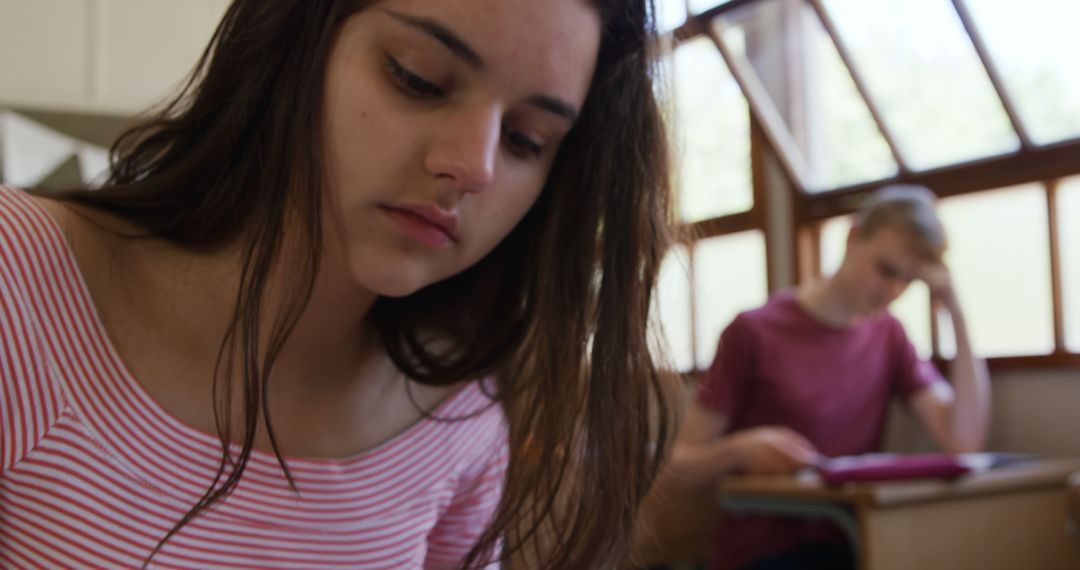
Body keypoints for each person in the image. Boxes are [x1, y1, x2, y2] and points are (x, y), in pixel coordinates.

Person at [0, 0, 677, 567]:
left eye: (527, 139)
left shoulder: (460, 426)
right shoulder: (18, 278)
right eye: (417, 78)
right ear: (293, 42)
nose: (473, 167)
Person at [648, 184, 991, 570]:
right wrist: (739, 450)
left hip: (854, 540)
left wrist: (957, 314)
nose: (893, 290)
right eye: (886, 270)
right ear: (852, 237)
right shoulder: (753, 332)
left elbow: (963, 442)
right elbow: (677, 466)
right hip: (764, 554)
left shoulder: (889, 336)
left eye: (907, 281)